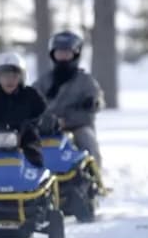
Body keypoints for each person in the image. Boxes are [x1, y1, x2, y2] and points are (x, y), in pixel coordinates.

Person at [32, 30, 104, 168]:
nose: (63, 57)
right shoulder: (44, 81)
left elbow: (96, 98)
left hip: (76, 127)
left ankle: (93, 174)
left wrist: (93, 102)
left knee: (87, 139)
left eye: (67, 53)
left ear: (75, 54)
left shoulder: (85, 81)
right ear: (53, 54)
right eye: (59, 53)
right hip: (47, 127)